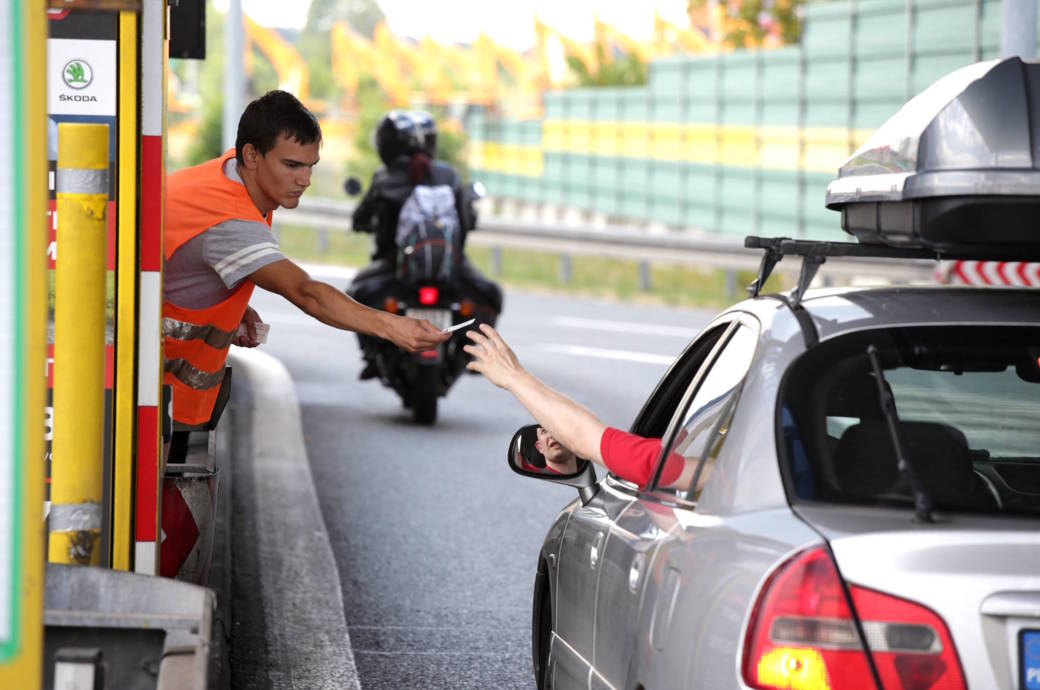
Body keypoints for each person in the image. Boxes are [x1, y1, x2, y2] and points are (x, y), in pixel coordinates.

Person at [163, 90, 449, 432]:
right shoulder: (231, 221)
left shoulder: (226, 174)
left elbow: (189, 262)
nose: (305, 180)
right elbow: (306, 292)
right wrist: (394, 327)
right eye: (292, 165)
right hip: (139, 385)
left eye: (310, 166)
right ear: (252, 155)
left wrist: (228, 303)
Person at [347, 110, 503, 379]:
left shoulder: (384, 178)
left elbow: (361, 216)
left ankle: (371, 354)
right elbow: (466, 221)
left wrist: (365, 222)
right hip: (450, 264)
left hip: (395, 265)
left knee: (356, 295)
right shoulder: (449, 176)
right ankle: (475, 353)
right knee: (491, 294)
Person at [465, 324, 708, 489]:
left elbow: (582, 435)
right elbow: (578, 434)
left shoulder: (722, 478)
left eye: (552, 429)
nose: (552, 434)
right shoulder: (736, 477)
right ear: (539, 446)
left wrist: (515, 378)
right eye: (545, 430)